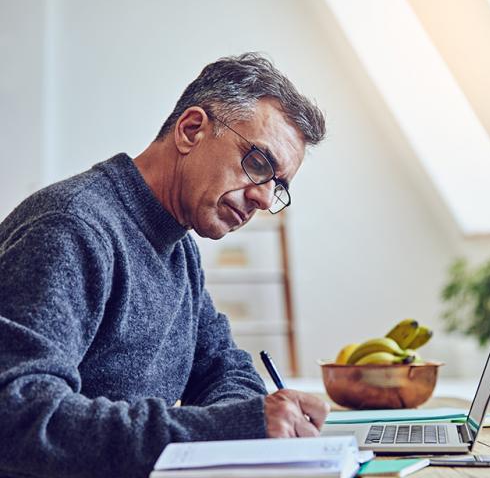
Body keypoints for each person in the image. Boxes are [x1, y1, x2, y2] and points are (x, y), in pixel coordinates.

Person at [0, 52, 329, 478]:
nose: (265, 199)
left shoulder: (178, 247)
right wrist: (226, 430)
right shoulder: (71, 227)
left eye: (278, 185)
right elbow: (18, 416)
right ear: (192, 130)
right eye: (259, 163)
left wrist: (244, 426)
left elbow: (224, 369)